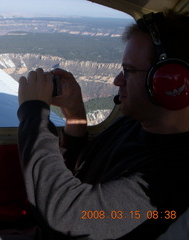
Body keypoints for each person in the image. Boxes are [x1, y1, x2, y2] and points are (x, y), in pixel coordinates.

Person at [17, 11, 189, 240]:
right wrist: (75, 115)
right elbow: (81, 172)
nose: (117, 80)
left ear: (170, 81)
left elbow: (68, 216)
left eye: (128, 71)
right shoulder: (133, 123)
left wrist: (34, 112)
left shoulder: (172, 175)